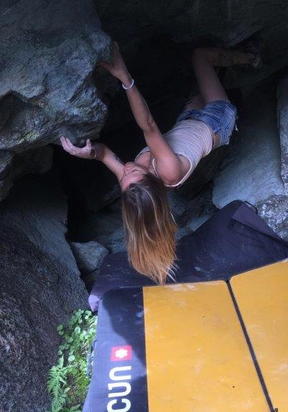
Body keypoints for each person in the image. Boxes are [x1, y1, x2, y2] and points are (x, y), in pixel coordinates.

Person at [60, 42, 259, 284]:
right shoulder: (169, 172)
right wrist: (125, 78)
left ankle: (226, 66)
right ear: (151, 181)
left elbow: (103, 155)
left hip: (188, 119)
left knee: (200, 81)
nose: (126, 169)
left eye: (123, 178)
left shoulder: (134, 184)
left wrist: (88, 153)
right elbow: (149, 126)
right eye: (132, 172)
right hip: (217, 120)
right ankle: (251, 57)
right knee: (200, 57)